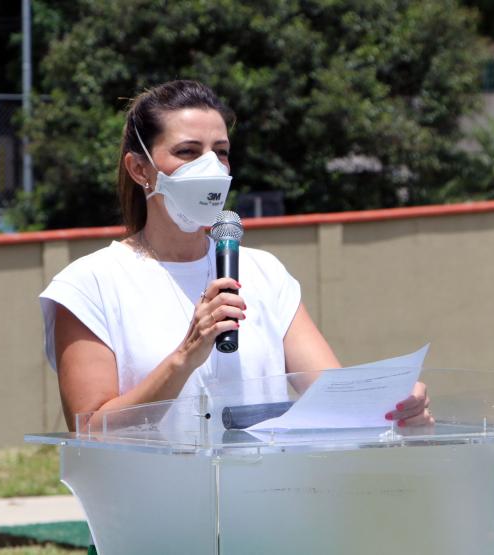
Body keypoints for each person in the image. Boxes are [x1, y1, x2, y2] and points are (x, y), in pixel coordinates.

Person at [39, 80, 432, 431]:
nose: (210, 166)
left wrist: (394, 403)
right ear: (140, 169)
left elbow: (330, 396)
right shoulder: (90, 284)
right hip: (150, 505)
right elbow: (90, 428)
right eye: (188, 152)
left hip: (264, 499)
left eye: (221, 152)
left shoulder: (264, 273)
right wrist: (186, 355)